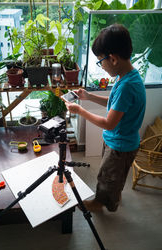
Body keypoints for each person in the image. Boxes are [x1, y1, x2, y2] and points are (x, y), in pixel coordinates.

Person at [65, 24, 146, 212]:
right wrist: (88, 96)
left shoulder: (127, 86)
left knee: (106, 176)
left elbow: (109, 123)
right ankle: (113, 194)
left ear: (113, 59)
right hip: (121, 141)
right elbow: (114, 103)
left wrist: (80, 111)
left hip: (120, 145)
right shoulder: (128, 76)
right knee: (113, 175)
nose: (101, 66)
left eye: (100, 61)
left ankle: (102, 203)